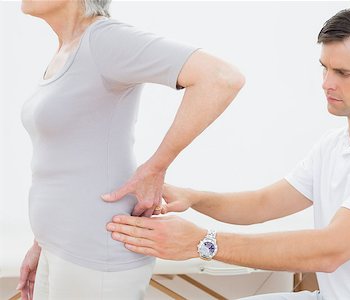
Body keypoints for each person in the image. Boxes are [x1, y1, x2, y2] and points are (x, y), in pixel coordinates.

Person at [107, 4, 350, 300]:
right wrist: (195, 198)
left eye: (343, 73)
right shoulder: (333, 147)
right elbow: (263, 204)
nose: (327, 83)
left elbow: (330, 250)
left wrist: (203, 243)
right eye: (324, 68)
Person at [16, 0, 245, 299]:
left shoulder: (104, 40)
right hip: (58, 247)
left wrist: (156, 167)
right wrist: (41, 243)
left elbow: (221, 77)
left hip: (96, 253)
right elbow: (61, 158)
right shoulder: (67, 48)